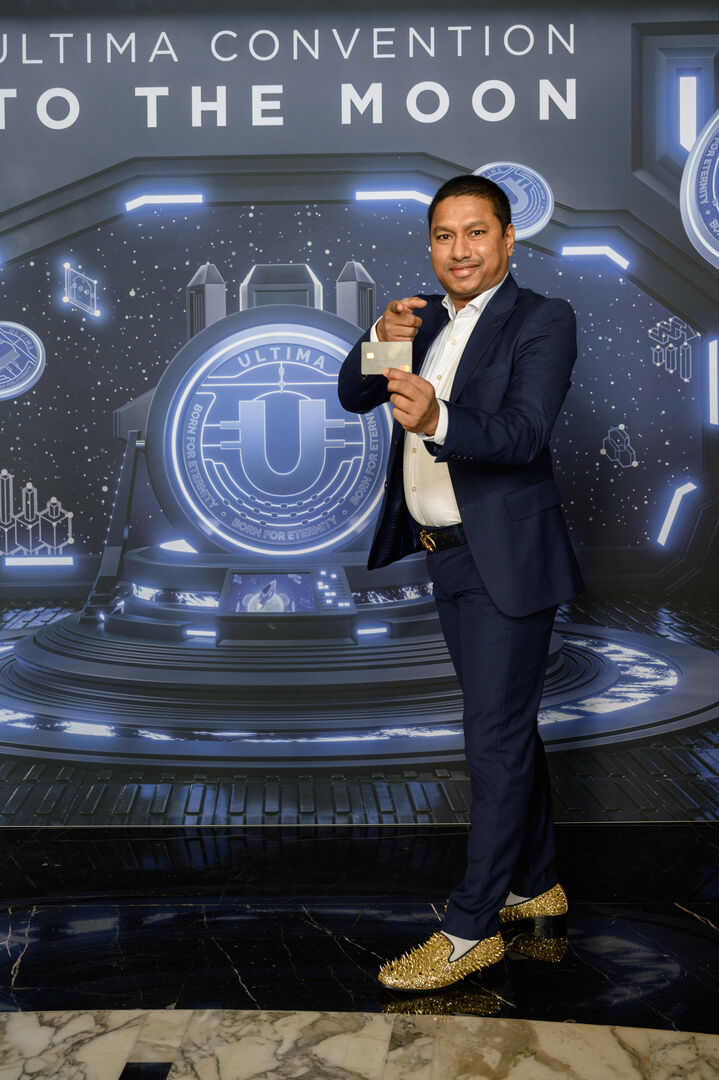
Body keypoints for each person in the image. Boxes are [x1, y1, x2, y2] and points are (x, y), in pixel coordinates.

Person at [337, 174, 584, 992]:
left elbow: (522, 432)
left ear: (507, 239)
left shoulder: (542, 318)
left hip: (503, 559)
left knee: (493, 740)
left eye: (476, 232)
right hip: (445, 555)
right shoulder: (424, 318)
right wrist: (379, 338)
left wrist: (436, 417)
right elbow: (353, 394)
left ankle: (470, 929)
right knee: (507, 729)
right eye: (444, 235)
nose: (459, 250)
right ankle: (534, 883)